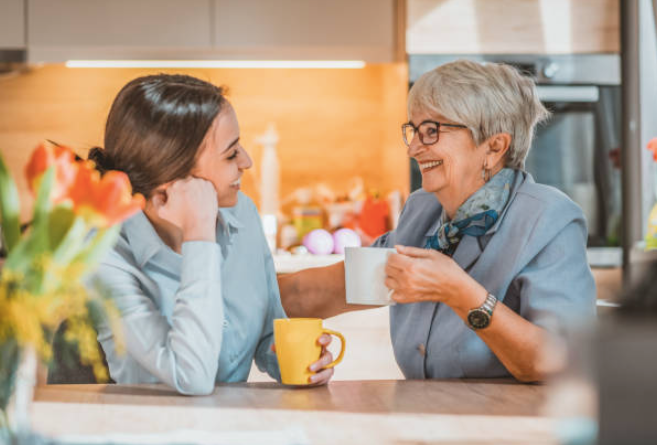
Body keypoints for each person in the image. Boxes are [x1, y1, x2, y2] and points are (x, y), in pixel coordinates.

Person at [279, 60, 596, 382]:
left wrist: (460, 293)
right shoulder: (423, 209)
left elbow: (559, 361)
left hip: (513, 424)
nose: (414, 149)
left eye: (432, 131)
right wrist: (235, 293)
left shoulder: (548, 219)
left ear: (494, 146)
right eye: (414, 131)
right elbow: (312, 294)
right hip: (426, 414)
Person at [91, 74, 335, 395]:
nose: (246, 161)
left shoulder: (243, 213)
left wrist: (298, 361)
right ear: (176, 175)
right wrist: (199, 236)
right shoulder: (106, 255)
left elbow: (265, 333)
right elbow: (191, 377)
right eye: (231, 154)